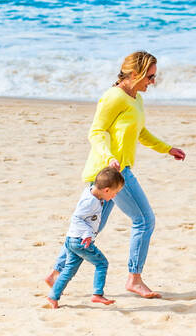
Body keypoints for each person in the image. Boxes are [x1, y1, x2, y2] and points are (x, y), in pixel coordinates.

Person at [45, 51, 186, 299]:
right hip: (111, 172)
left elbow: (140, 133)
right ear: (134, 74)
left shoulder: (136, 99)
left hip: (116, 170)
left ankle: (56, 273)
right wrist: (110, 157)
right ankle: (134, 278)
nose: (152, 82)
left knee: (91, 226)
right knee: (144, 220)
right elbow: (96, 132)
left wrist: (167, 148)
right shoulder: (113, 98)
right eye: (149, 76)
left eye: (154, 77)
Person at [45, 166, 124, 309]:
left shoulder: (91, 192)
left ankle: (53, 296)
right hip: (80, 241)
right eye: (115, 193)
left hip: (72, 240)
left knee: (69, 269)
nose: (114, 196)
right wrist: (87, 233)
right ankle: (97, 294)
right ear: (106, 190)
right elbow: (77, 218)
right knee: (102, 264)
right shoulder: (91, 202)